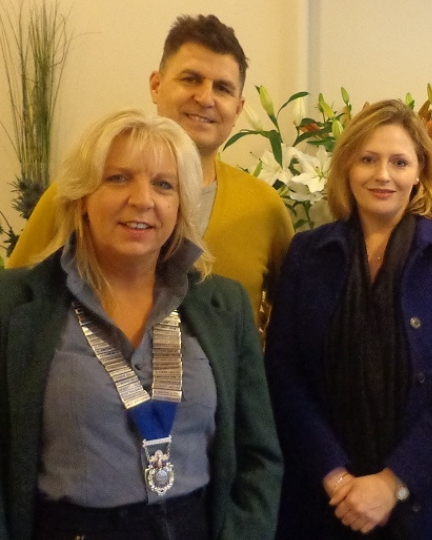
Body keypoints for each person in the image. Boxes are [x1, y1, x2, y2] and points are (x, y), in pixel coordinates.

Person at [0, 109, 281, 539]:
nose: (143, 199)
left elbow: (258, 456)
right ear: (81, 196)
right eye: (118, 179)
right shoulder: (15, 305)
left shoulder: (223, 306)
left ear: (180, 204)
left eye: (163, 185)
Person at [266, 99, 432, 539]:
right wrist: (336, 478)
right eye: (367, 159)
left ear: (419, 173)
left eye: (399, 162)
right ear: (347, 168)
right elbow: (284, 375)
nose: (383, 175)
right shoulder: (307, 253)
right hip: (328, 498)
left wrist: (393, 483)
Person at [6, 14, 293, 329]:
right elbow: (17, 303)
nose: (205, 98)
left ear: (238, 108)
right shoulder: (83, 193)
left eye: (223, 88)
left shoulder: (264, 206)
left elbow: (294, 322)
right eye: (191, 79)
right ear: (156, 85)